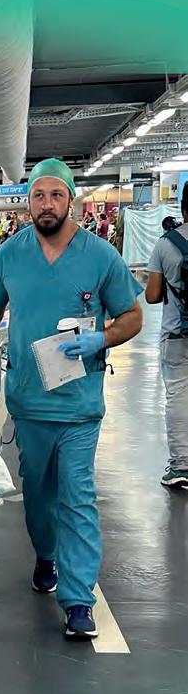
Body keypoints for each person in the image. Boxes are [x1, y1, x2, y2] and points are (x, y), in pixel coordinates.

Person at [0, 157, 142, 640]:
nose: (46, 204)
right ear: (28, 202)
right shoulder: (9, 255)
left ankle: (78, 599)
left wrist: (101, 338)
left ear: (72, 200)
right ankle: (45, 555)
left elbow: (132, 316)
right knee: (38, 496)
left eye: (56, 195)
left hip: (79, 404)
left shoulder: (100, 256)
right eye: (38, 196)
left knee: (77, 496)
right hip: (28, 401)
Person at [145, 183, 188, 488]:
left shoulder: (165, 245)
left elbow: (151, 295)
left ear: (183, 208)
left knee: (178, 397)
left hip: (176, 334)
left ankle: (181, 466)